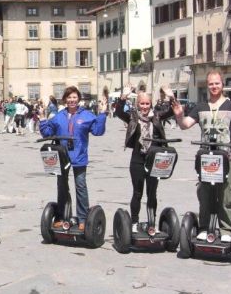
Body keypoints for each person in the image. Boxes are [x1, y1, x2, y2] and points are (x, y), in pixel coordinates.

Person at [172, 70, 231, 242]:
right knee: (205, 193)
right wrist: (179, 116)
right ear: (207, 85)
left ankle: (227, 230)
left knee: (226, 194)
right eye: (211, 84)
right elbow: (185, 125)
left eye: (217, 83)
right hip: (207, 158)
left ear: (222, 84)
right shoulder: (200, 107)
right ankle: (204, 226)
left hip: (227, 157)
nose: (214, 86)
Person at [38, 86, 107, 229]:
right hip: (62, 156)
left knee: (80, 186)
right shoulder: (58, 116)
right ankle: (62, 216)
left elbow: (98, 131)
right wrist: (43, 118)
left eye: (74, 97)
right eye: (69, 97)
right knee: (62, 186)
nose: (72, 100)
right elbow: (47, 133)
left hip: (79, 156)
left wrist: (102, 114)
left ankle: (83, 218)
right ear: (65, 100)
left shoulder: (87, 115)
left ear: (79, 99)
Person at [115, 84, 174, 230]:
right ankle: (134, 222)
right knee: (137, 192)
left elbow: (173, 110)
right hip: (137, 159)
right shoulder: (132, 117)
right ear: (137, 104)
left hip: (154, 159)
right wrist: (123, 97)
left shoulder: (157, 116)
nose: (145, 106)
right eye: (142, 103)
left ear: (151, 104)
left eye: (147, 103)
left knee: (152, 193)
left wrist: (171, 96)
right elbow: (118, 112)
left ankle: (151, 222)